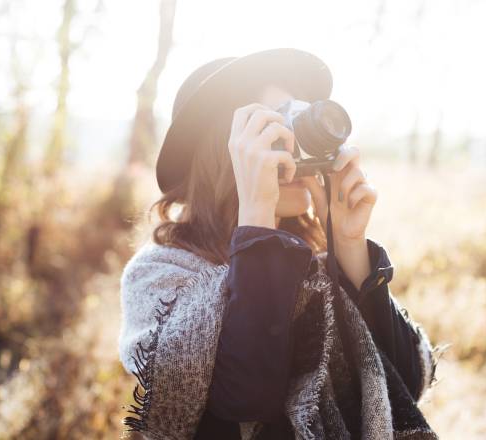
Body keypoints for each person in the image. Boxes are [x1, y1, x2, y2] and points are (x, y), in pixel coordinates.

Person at [118, 48, 439, 440]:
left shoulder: (316, 269)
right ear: (224, 153)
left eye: (297, 121)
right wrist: (256, 214)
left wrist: (349, 246)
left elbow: (403, 385)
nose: (291, 145)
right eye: (270, 129)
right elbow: (244, 400)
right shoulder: (161, 275)